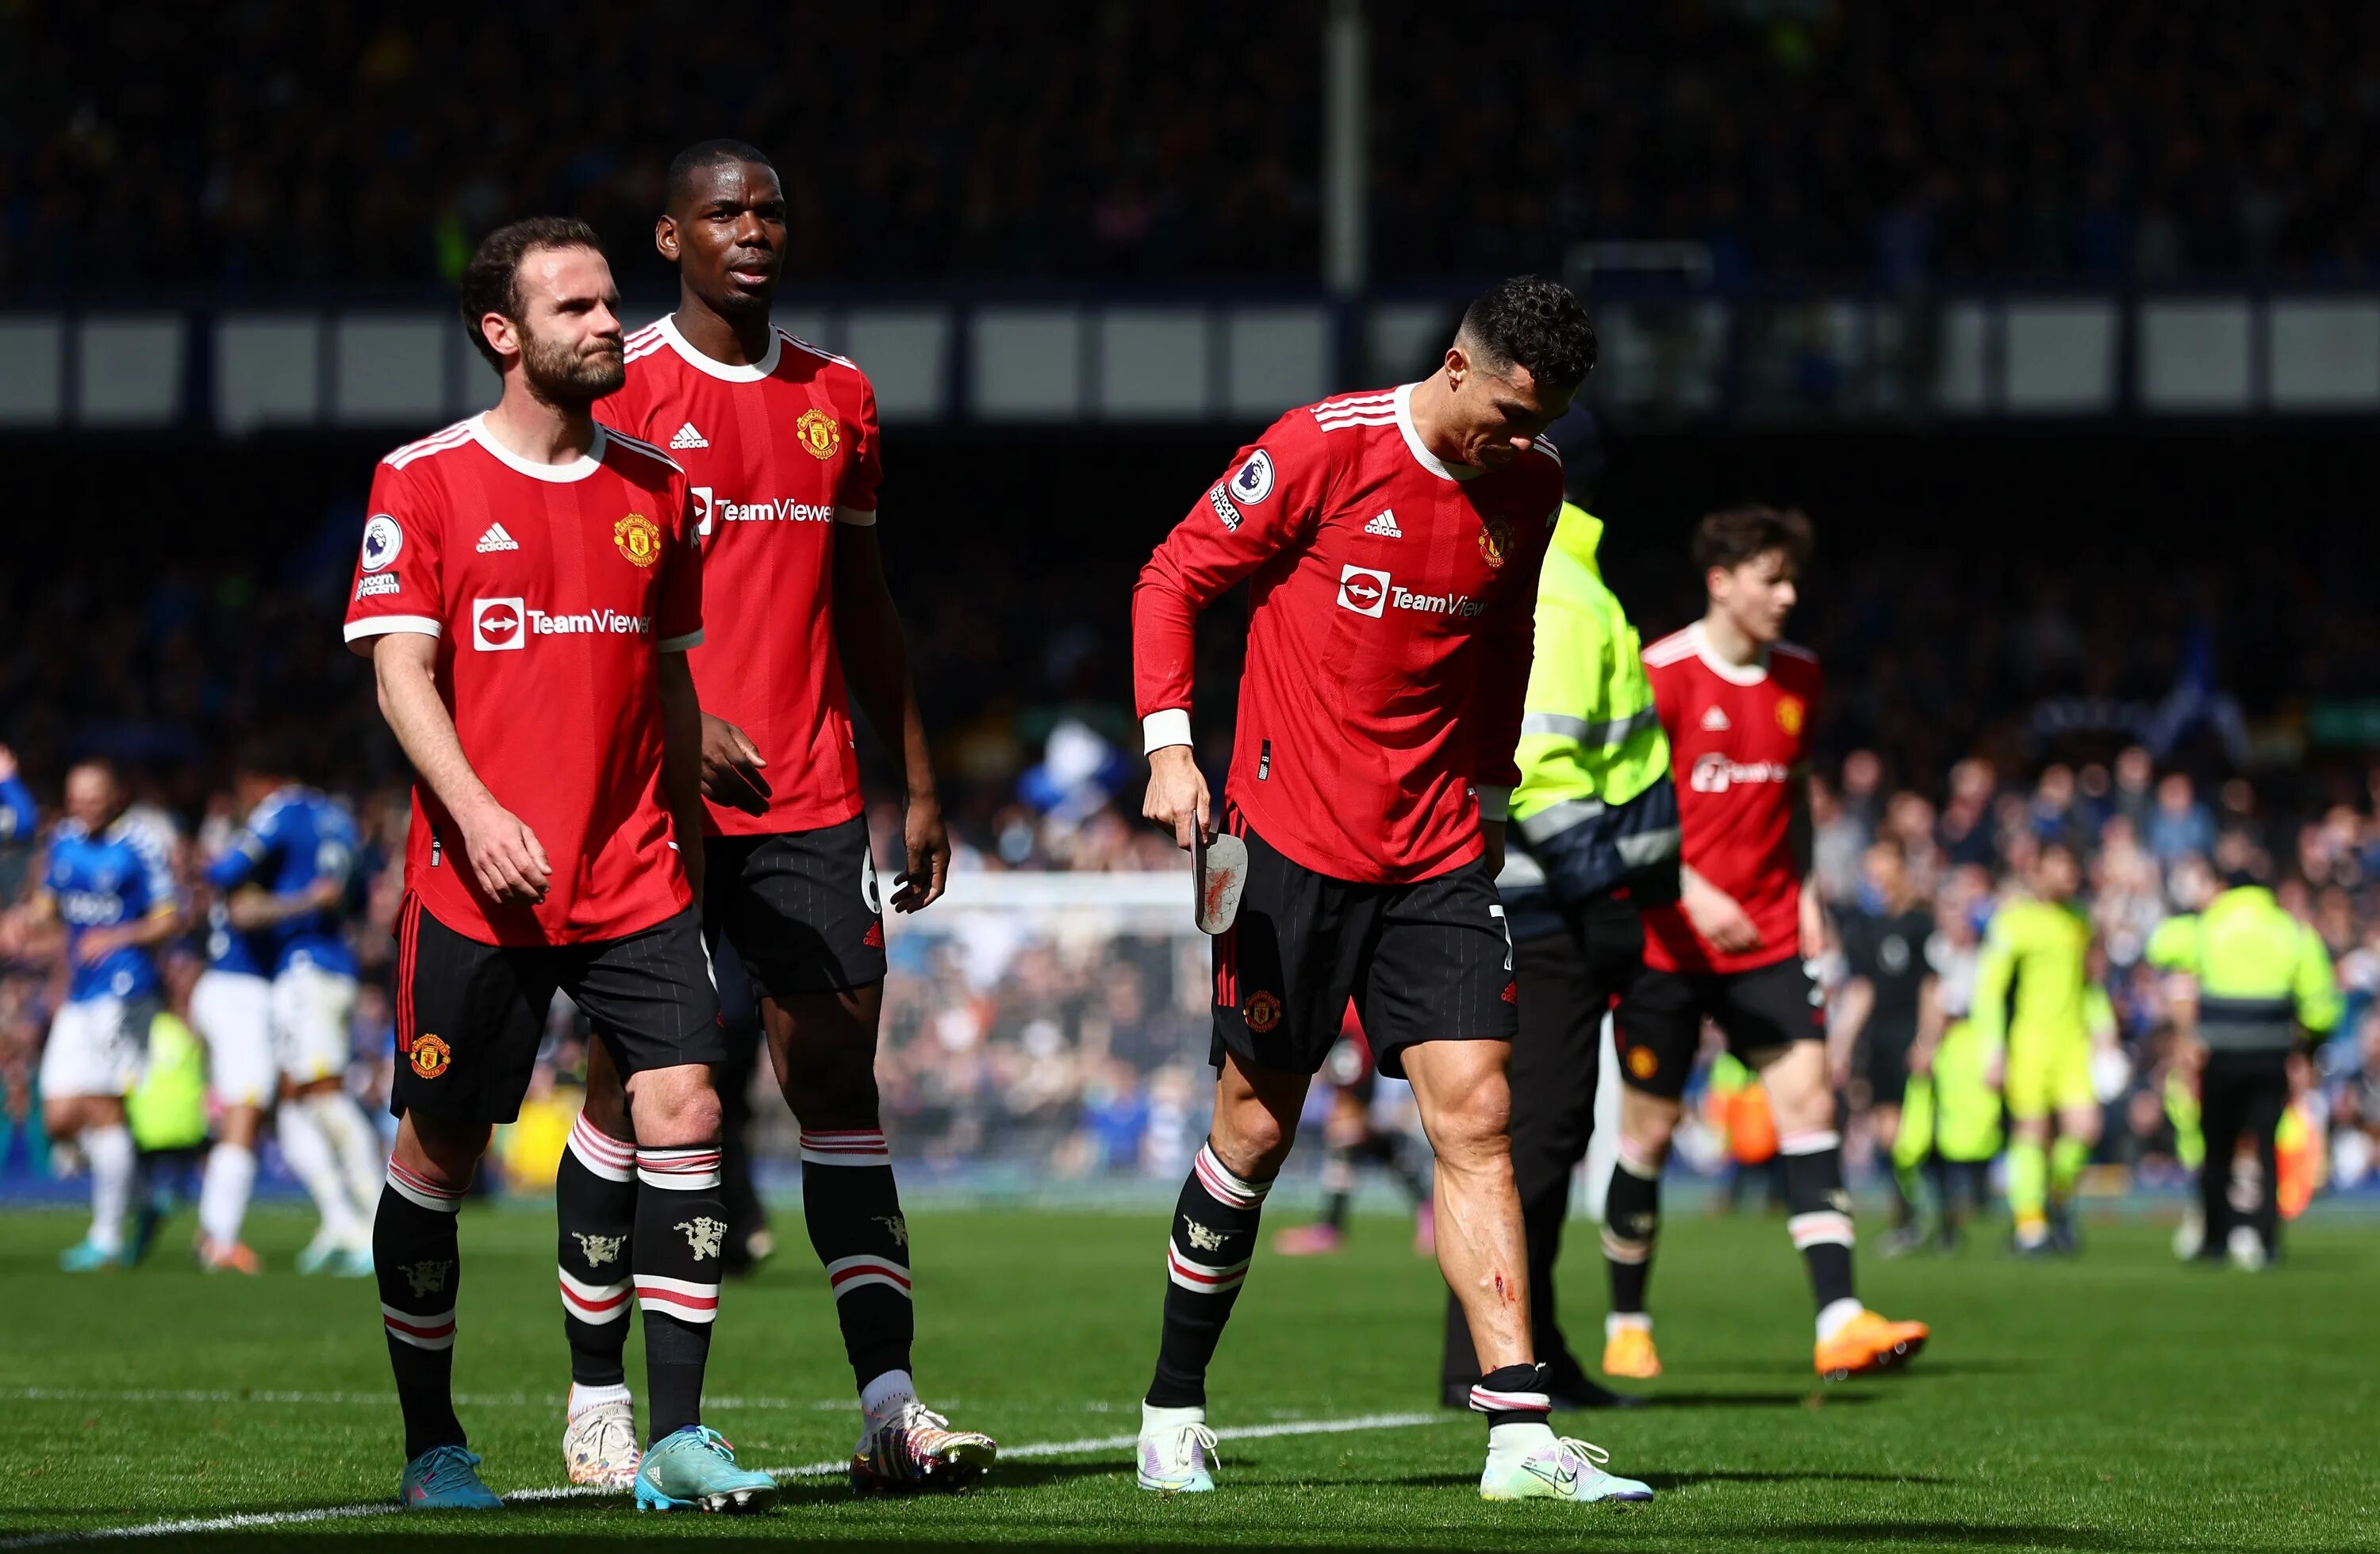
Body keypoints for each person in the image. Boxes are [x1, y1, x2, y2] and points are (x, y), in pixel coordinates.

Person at [1133, 275, 1651, 1504]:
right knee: (1254, 1131)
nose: (1526, 443)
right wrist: (1168, 743)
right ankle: (1171, 1404)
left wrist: (1486, 783)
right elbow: (1174, 577)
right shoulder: (1323, 447)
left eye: (1550, 423)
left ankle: (1519, 1432)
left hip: (1435, 854)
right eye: (1515, 414)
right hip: (1290, 847)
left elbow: (1507, 635)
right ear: (1459, 368)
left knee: (1476, 1115)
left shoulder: (1530, 487)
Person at [558, 139, 992, 1495]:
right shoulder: (615, 382)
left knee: (836, 1087)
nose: (753, 229)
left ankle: (889, 1405)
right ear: (669, 237)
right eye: (723, 212)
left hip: (808, 798)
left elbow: (863, 600)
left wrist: (914, 779)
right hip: (650, 796)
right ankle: (596, 1405)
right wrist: (678, 724)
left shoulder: (839, 394)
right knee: (634, 1087)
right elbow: (579, 602)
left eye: (771, 211)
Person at [342, 216, 774, 1514]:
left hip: (634, 874)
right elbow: (399, 671)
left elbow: (670, 679)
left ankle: (679, 1430)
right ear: (503, 333)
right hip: (475, 885)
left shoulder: (657, 488)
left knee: (688, 1108)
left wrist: (696, 845)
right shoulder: (419, 482)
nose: (608, 324)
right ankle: (435, 1443)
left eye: (608, 302)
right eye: (577, 307)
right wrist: (473, 812)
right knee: (439, 1152)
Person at [1599, 508, 1927, 1382]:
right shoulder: (1659, 675)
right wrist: (1692, 892)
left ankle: (1839, 1319)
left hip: (1772, 935)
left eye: (1792, 581)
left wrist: (1808, 896)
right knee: (1650, 1134)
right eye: (1771, 579)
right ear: (1721, 581)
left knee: (1810, 1107)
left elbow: (1791, 799)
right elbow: (1623, 807)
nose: (1788, 597)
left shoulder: (1801, 679)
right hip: (1666, 940)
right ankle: (1627, 1321)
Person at [1437, 446, 1679, 1411]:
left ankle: (1524, 1348)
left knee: (1537, 1138)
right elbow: (1542, 760)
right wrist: (1609, 901)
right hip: (1550, 911)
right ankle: (1492, 1365)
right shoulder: (1568, 589)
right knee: (1530, 1141)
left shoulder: (1547, 577)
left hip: (1539, 902)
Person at [203, 751, 381, 1275]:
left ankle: (378, 1223)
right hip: (334, 964)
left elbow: (226, 868)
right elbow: (356, 895)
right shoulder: (340, 818)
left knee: (324, 1095)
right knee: (299, 1100)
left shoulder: (281, 810)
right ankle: (339, 1221)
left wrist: (210, 868)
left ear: (261, 780)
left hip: (306, 968)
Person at [8, 760, 182, 1269]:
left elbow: (170, 918)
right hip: (81, 992)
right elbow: (49, 903)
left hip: (127, 989)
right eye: (75, 796)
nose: (84, 806)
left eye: (93, 796)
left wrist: (119, 935)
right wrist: (26, 920)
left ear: (115, 796)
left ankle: (106, 1238)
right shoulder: (61, 839)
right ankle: (145, 1196)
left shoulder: (139, 846)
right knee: (58, 1113)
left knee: (103, 1104)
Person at [2147, 869, 2340, 1268]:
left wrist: (2199, 911)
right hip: (2270, 1056)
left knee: (2216, 1147)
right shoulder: (2291, 931)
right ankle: (2267, 1241)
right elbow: (2321, 1005)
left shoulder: (2209, 926)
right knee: (2265, 1147)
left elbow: (2159, 945)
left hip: (2220, 1057)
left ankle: (2214, 1240)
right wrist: (2309, 1047)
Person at [1971, 842, 2104, 1254]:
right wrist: (1992, 1048)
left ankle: (2056, 1200)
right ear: (2039, 871)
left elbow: (2090, 985)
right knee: (2031, 1133)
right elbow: (1988, 991)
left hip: (2073, 1044)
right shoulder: (2014, 922)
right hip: (2029, 1043)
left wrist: (2104, 1027)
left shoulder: (2081, 921)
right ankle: (2030, 1226)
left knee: (2084, 1130)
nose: (2068, 875)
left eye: (2072, 866)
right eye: (2059, 866)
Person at [1829, 838, 1940, 1254]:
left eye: (1881, 864)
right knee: (1888, 1134)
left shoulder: (1918, 923)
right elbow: (1861, 991)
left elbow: (1931, 985)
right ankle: (1909, 1218)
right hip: (1879, 1040)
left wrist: (1927, 1039)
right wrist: (1841, 1046)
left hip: (1911, 1039)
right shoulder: (1863, 927)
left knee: (1922, 1135)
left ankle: (1941, 1217)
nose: (1874, 873)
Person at [1273, 1004, 1434, 1257]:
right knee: (1359, 1138)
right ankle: (1428, 1211)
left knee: (1347, 1132)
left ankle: (1330, 1227)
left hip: (1354, 1029)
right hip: (1349, 1029)